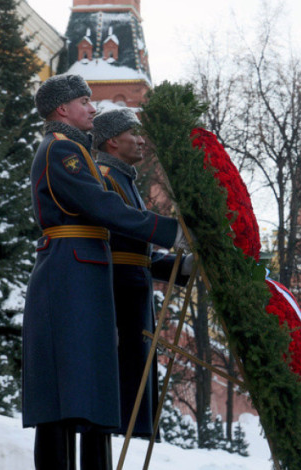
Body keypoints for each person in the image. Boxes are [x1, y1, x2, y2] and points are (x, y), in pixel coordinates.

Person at [23, 74, 188, 470]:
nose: (93, 108)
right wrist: (172, 232)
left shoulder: (72, 151)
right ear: (63, 109)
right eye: (84, 101)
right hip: (70, 271)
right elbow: (101, 207)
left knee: (88, 391)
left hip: (82, 270)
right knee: (64, 393)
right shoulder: (61, 151)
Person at [91, 105, 193, 442]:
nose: (141, 141)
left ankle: (140, 437)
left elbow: (140, 253)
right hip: (120, 292)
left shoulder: (123, 179)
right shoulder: (104, 178)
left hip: (134, 288)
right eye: (132, 134)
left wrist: (183, 268)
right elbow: (124, 244)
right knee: (130, 373)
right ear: (111, 142)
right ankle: (131, 439)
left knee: (141, 372)